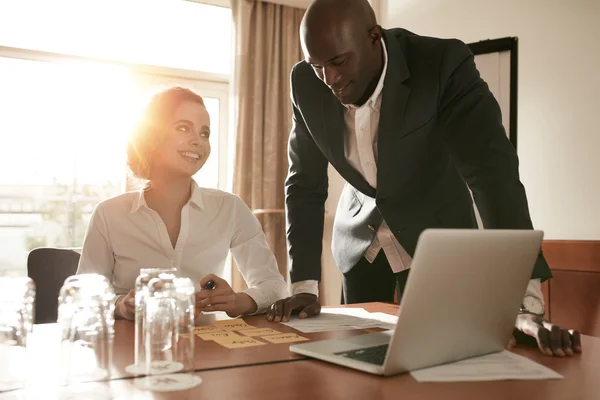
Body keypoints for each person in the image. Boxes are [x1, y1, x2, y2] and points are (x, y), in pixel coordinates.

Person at [266, 0, 581, 357]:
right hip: (360, 244)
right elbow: (304, 183)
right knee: (358, 362)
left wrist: (525, 302)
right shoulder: (305, 82)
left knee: (443, 362)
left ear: (374, 37)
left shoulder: (442, 64)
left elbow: (491, 171)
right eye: (317, 65)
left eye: (338, 62)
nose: (329, 79)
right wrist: (305, 285)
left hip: (436, 240)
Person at [77, 86, 287, 320]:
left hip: (207, 349)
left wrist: (239, 301)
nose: (198, 141)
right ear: (151, 136)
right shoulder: (109, 214)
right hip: (130, 348)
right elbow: (85, 296)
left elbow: (274, 285)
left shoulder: (230, 208)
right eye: (183, 128)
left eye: (205, 133)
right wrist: (119, 305)